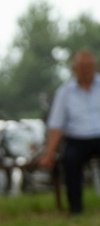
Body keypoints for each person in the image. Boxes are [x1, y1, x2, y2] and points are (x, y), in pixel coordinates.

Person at [40, 48, 100, 215]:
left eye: (89, 65)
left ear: (95, 66)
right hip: (77, 138)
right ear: (74, 68)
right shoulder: (64, 92)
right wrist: (49, 153)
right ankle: (76, 209)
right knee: (70, 160)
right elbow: (56, 125)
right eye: (82, 65)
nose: (86, 69)